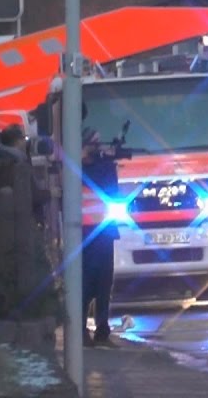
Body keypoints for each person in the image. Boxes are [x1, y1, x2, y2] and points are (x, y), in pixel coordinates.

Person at [80, 127, 120, 347]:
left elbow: (112, 192)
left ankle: (101, 330)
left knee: (104, 284)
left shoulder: (103, 167)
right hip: (85, 235)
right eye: (93, 143)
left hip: (102, 233)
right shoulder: (79, 168)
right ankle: (83, 332)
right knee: (86, 285)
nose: (97, 147)